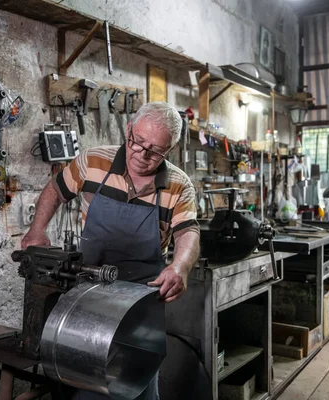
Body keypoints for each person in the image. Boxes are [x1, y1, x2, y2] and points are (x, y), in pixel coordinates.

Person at [21, 101, 200, 400]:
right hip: (87, 296)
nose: (142, 155)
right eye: (137, 141)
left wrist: (180, 266)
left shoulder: (178, 185)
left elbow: (188, 232)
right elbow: (55, 189)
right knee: (79, 379)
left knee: (134, 381)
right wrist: (36, 230)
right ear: (128, 129)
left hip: (140, 305)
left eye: (154, 151)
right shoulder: (93, 161)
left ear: (169, 151)